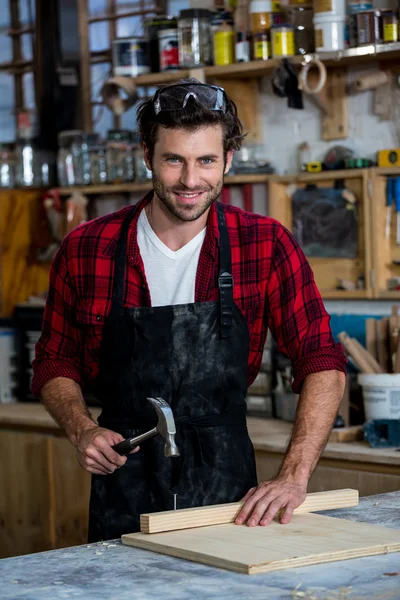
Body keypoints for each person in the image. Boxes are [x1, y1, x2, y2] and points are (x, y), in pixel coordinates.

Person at [32, 79, 347, 542]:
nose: (190, 180)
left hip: (232, 497)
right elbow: (54, 360)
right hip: (124, 481)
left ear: (228, 160)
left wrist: (293, 476)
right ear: (147, 155)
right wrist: (81, 429)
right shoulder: (87, 247)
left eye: (206, 161)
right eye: (174, 159)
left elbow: (322, 360)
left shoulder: (265, 243)